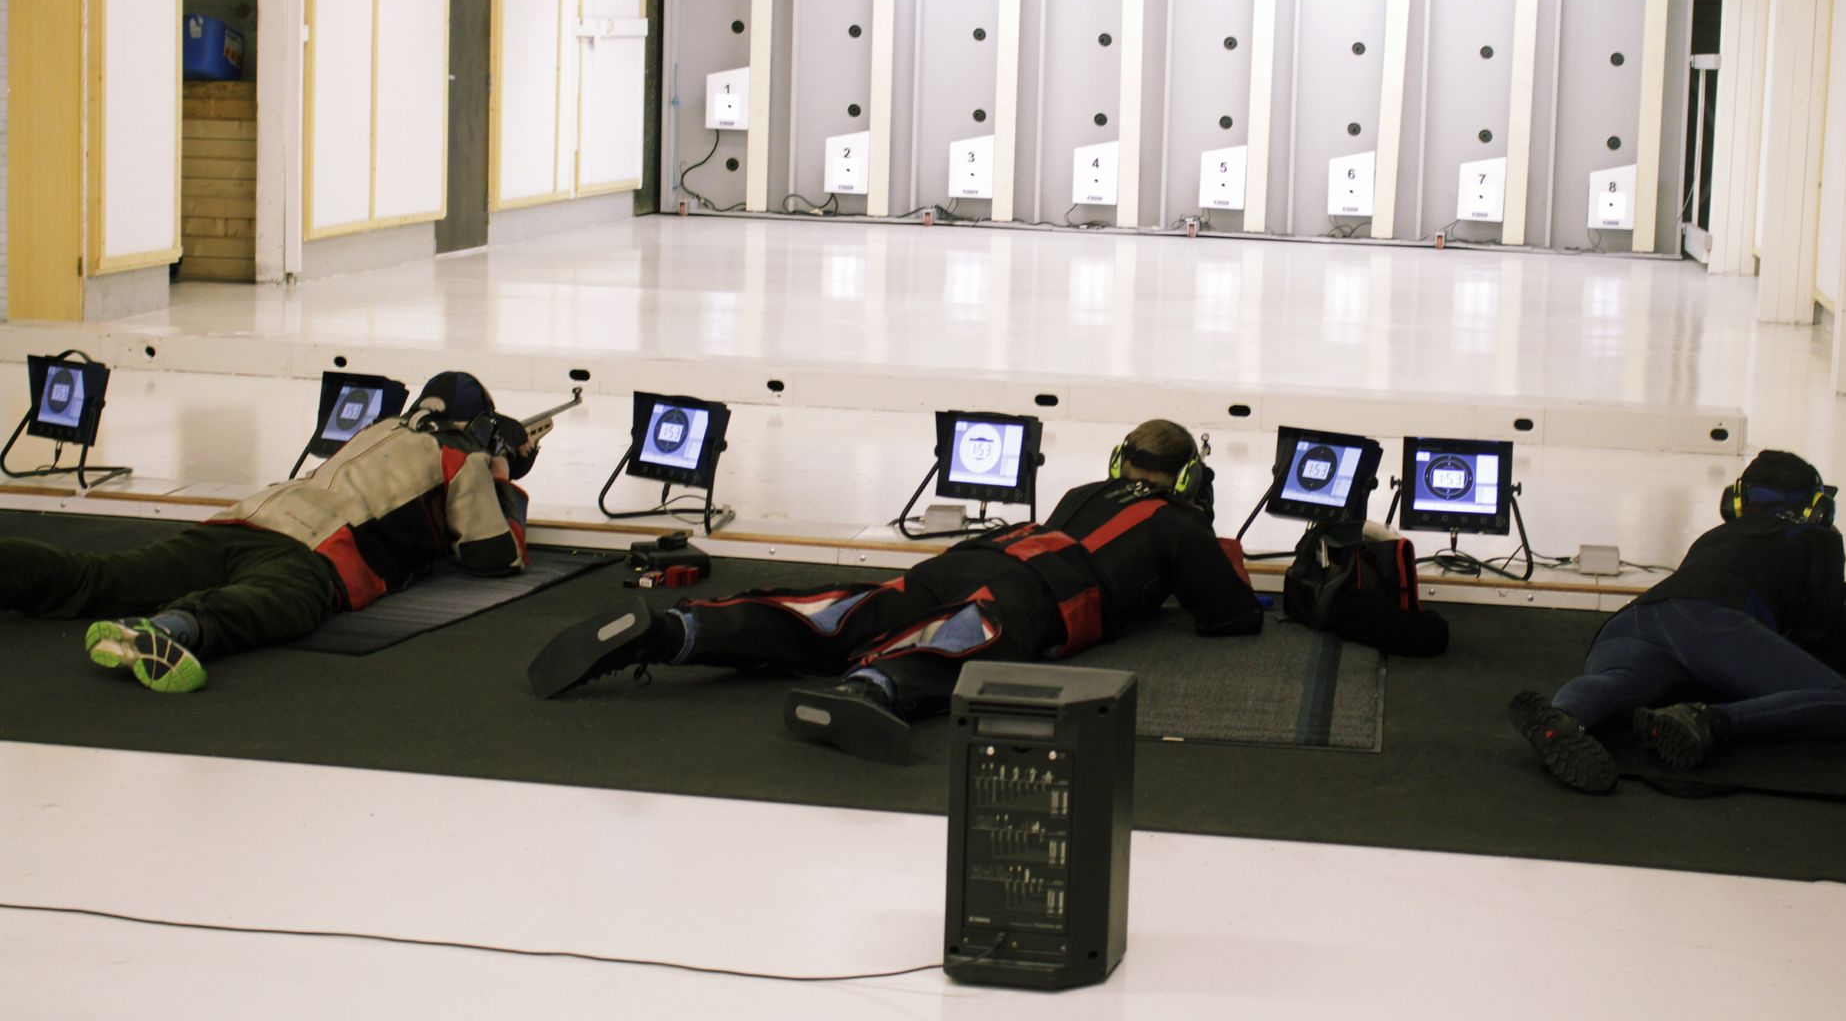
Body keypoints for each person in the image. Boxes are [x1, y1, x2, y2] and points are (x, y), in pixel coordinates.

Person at [529, 418, 1264, 761]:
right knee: (957, 640)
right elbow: (1229, 618)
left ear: (1118, 459)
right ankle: (873, 690)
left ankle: (679, 630)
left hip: (972, 555)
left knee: (839, 611)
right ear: (1187, 482)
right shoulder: (1178, 526)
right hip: (1042, 589)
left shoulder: (1081, 489)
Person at [0, 371, 532, 693]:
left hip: (246, 518)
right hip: (316, 546)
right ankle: (169, 630)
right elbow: (491, 555)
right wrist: (502, 479)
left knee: (101, 575)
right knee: (274, 604)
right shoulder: (457, 456)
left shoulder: (379, 427)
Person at [1509, 450, 1846, 793]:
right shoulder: (1818, 538)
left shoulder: (1714, 537)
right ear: (1817, 508)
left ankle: (1564, 716)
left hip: (1632, 621)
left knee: (1617, 683)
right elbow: (1827, 646)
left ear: (1735, 501)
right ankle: (1705, 720)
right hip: (1711, 624)